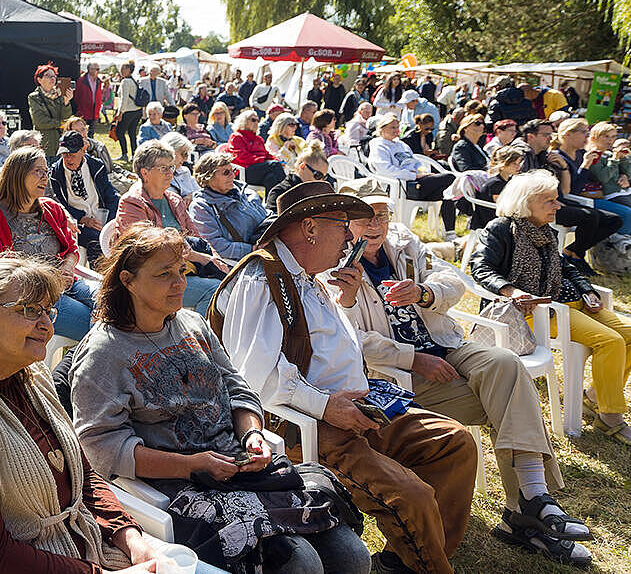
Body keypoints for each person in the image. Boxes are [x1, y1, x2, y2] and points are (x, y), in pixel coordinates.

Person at [68, 225, 371, 573]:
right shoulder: (104, 354)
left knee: (351, 555)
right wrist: (193, 463)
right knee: (299, 562)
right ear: (128, 280)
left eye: (182, 271)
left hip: (240, 468)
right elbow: (102, 447)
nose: (179, 283)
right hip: (183, 487)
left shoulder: (192, 324)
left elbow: (237, 389)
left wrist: (252, 435)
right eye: (163, 274)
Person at [216, 180, 478, 574]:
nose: (350, 236)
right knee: (413, 496)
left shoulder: (305, 275)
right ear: (310, 228)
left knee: (453, 443)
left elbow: (326, 344)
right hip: (311, 428)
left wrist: (347, 302)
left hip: (357, 408)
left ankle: (404, 561)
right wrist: (326, 407)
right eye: (343, 225)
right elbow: (255, 377)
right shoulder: (262, 279)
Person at [337, 178, 592, 565]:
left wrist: (425, 293)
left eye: (384, 214)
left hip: (447, 345)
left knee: (505, 364)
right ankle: (526, 507)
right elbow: (351, 339)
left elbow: (454, 280)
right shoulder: (337, 265)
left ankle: (531, 500)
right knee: (510, 398)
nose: (376, 223)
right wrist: (413, 359)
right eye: (366, 216)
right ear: (346, 221)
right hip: (397, 374)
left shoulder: (404, 244)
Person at [0, 254, 162, 574]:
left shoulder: (31, 375)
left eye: (47, 310)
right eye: (29, 310)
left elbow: (83, 477)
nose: (47, 324)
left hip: (89, 547)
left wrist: (131, 539)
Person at [471, 171, 631, 448]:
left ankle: (595, 396)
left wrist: (586, 290)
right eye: (549, 200)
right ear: (526, 202)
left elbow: (565, 267)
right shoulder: (501, 229)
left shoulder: (545, 230)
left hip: (566, 301)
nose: (557, 206)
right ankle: (610, 416)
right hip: (535, 312)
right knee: (610, 341)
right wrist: (511, 290)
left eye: (556, 200)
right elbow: (480, 267)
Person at [0, 147, 98, 340]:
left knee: (115, 302)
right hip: (34, 299)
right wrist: (48, 280)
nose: (45, 178)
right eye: (38, 171)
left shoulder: (51, 208)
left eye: (46, 172)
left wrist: (67, 267)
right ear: (18, 174)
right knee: (97, 327)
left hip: (68, 283)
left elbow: (71, 249)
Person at [113, 142, 226, 311]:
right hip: (151, 276)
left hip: (181, 270)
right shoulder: (132, 202)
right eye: (164, 168)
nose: (170, 173)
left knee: (229, 284)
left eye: (171, 167)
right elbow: (145, 250)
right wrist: (199, 258)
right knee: (214, 289)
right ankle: (193, 335)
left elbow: (197, 238)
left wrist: (215, 260)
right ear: (145, 173)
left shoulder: (174, 200)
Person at [514, 119, 625, 269]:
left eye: (550, 134)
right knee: (591, 217)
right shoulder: (525, 155)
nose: (550, 138)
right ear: (531, 136)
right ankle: (577, 258)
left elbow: (566, 191)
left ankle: (572, 252)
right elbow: (523, 187)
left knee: (614, 219)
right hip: (543, 206)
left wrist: (564, 168)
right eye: (546, 134)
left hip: (560, 200)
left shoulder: (548, 156)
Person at [368, 113, 458, 239]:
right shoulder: (378, 145)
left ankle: (450, 233)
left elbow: (416, 163)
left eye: (397, 127)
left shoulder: (401, 144)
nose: (396, 130)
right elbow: (384, 169)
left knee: (447, 192)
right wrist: (414, 176)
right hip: (402, 185)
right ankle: (467, 208)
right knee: (449, 178)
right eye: (392, 127)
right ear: (382, 129)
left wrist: (422, 172)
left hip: (418, 182)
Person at [556, 116, 631, 239]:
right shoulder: (558, 157)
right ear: (567, 134)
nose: (587, 136)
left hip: (595, 196)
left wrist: (624, 175)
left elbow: (602, 177)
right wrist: (585, 165)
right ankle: (617, 251)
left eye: (588, 132)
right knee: (628, 215)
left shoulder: (581, 153)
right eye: (583, 132)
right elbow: (573, 190)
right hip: (575, 201)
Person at [49, 131, 119, 262]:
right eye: (64, 154)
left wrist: (109, 221)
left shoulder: (96, 166)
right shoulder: (56, 173)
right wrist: (82, 218)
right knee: (96, 240)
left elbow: (111, 196)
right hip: (76, 223)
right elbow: (60, 204)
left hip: (100, 219)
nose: (68, 159)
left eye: (72, 154)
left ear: (83, 150)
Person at [189, 151, 271, 262]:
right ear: (208, 177)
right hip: (240, 260)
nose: (232, 175)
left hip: (267, 245)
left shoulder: (247, 193)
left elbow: (266, 216)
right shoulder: (201, 207)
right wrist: (252, 249)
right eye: (226, 172)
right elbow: (215, 245)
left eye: (233, 170)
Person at [226, 110, 286, 191]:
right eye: (253, 120)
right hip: (244, 171)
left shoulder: (258, 139)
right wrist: (261, 160)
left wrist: (277, 160)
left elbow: (266, 155)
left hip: (260, 170)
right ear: (244, 121)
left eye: (258, 120)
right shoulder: (237, 136)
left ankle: (272, 203)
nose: (256, 123)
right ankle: (290, 194)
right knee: (274, 165)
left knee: (271, 178)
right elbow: (240, 156)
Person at [266, 140, 331, 212]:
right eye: (318, 175)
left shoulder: (318, 193)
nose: (321, 181)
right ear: (302, 167)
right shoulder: (280, 192)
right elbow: (271, 220)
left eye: (324, 178)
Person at [471, 146, 526, 230]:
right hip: (488, 222)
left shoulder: (509, 181)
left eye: (519, 164)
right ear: (503, 164)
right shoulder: (496, 184)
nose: (518, 167)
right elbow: (500, 207)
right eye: (514, 164)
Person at [586, 121, 631, 211]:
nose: (610, 140)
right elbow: (603, 178)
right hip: (611, 194)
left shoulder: (609, 153)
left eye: (613, 136)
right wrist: (615, 159)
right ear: (594, 138)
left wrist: (625, 174)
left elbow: (629, 174)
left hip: (625, 191)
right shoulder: (593, 155)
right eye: (606, 136)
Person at [28, 63, 73, 156]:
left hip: (61, 144)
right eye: (47, 76)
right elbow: (40, 122)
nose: (52, 78)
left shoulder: (60, 96)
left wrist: (66, 102)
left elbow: (67, 120)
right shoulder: (34, 97)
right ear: (39, 80)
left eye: (54, 76)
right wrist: (60, 124)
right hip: (45, 144)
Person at [160, 132, 202, 200]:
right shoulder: (158, 174)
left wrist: (191, 196)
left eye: (187, 155)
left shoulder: (185, 171)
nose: (185, 159)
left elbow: (200, 192)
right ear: (171, 151)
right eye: (183, 154)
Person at [114, 62, 143, 159]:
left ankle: (124, 154)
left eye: (123, 68)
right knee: (132, 133)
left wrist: (120, 112)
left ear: (128, 70)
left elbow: (124, 98)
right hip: (137, 110)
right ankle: (134, 154)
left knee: (120, 132)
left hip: (128, 111)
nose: (121, 71)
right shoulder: (133, 80)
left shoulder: (125, 81)